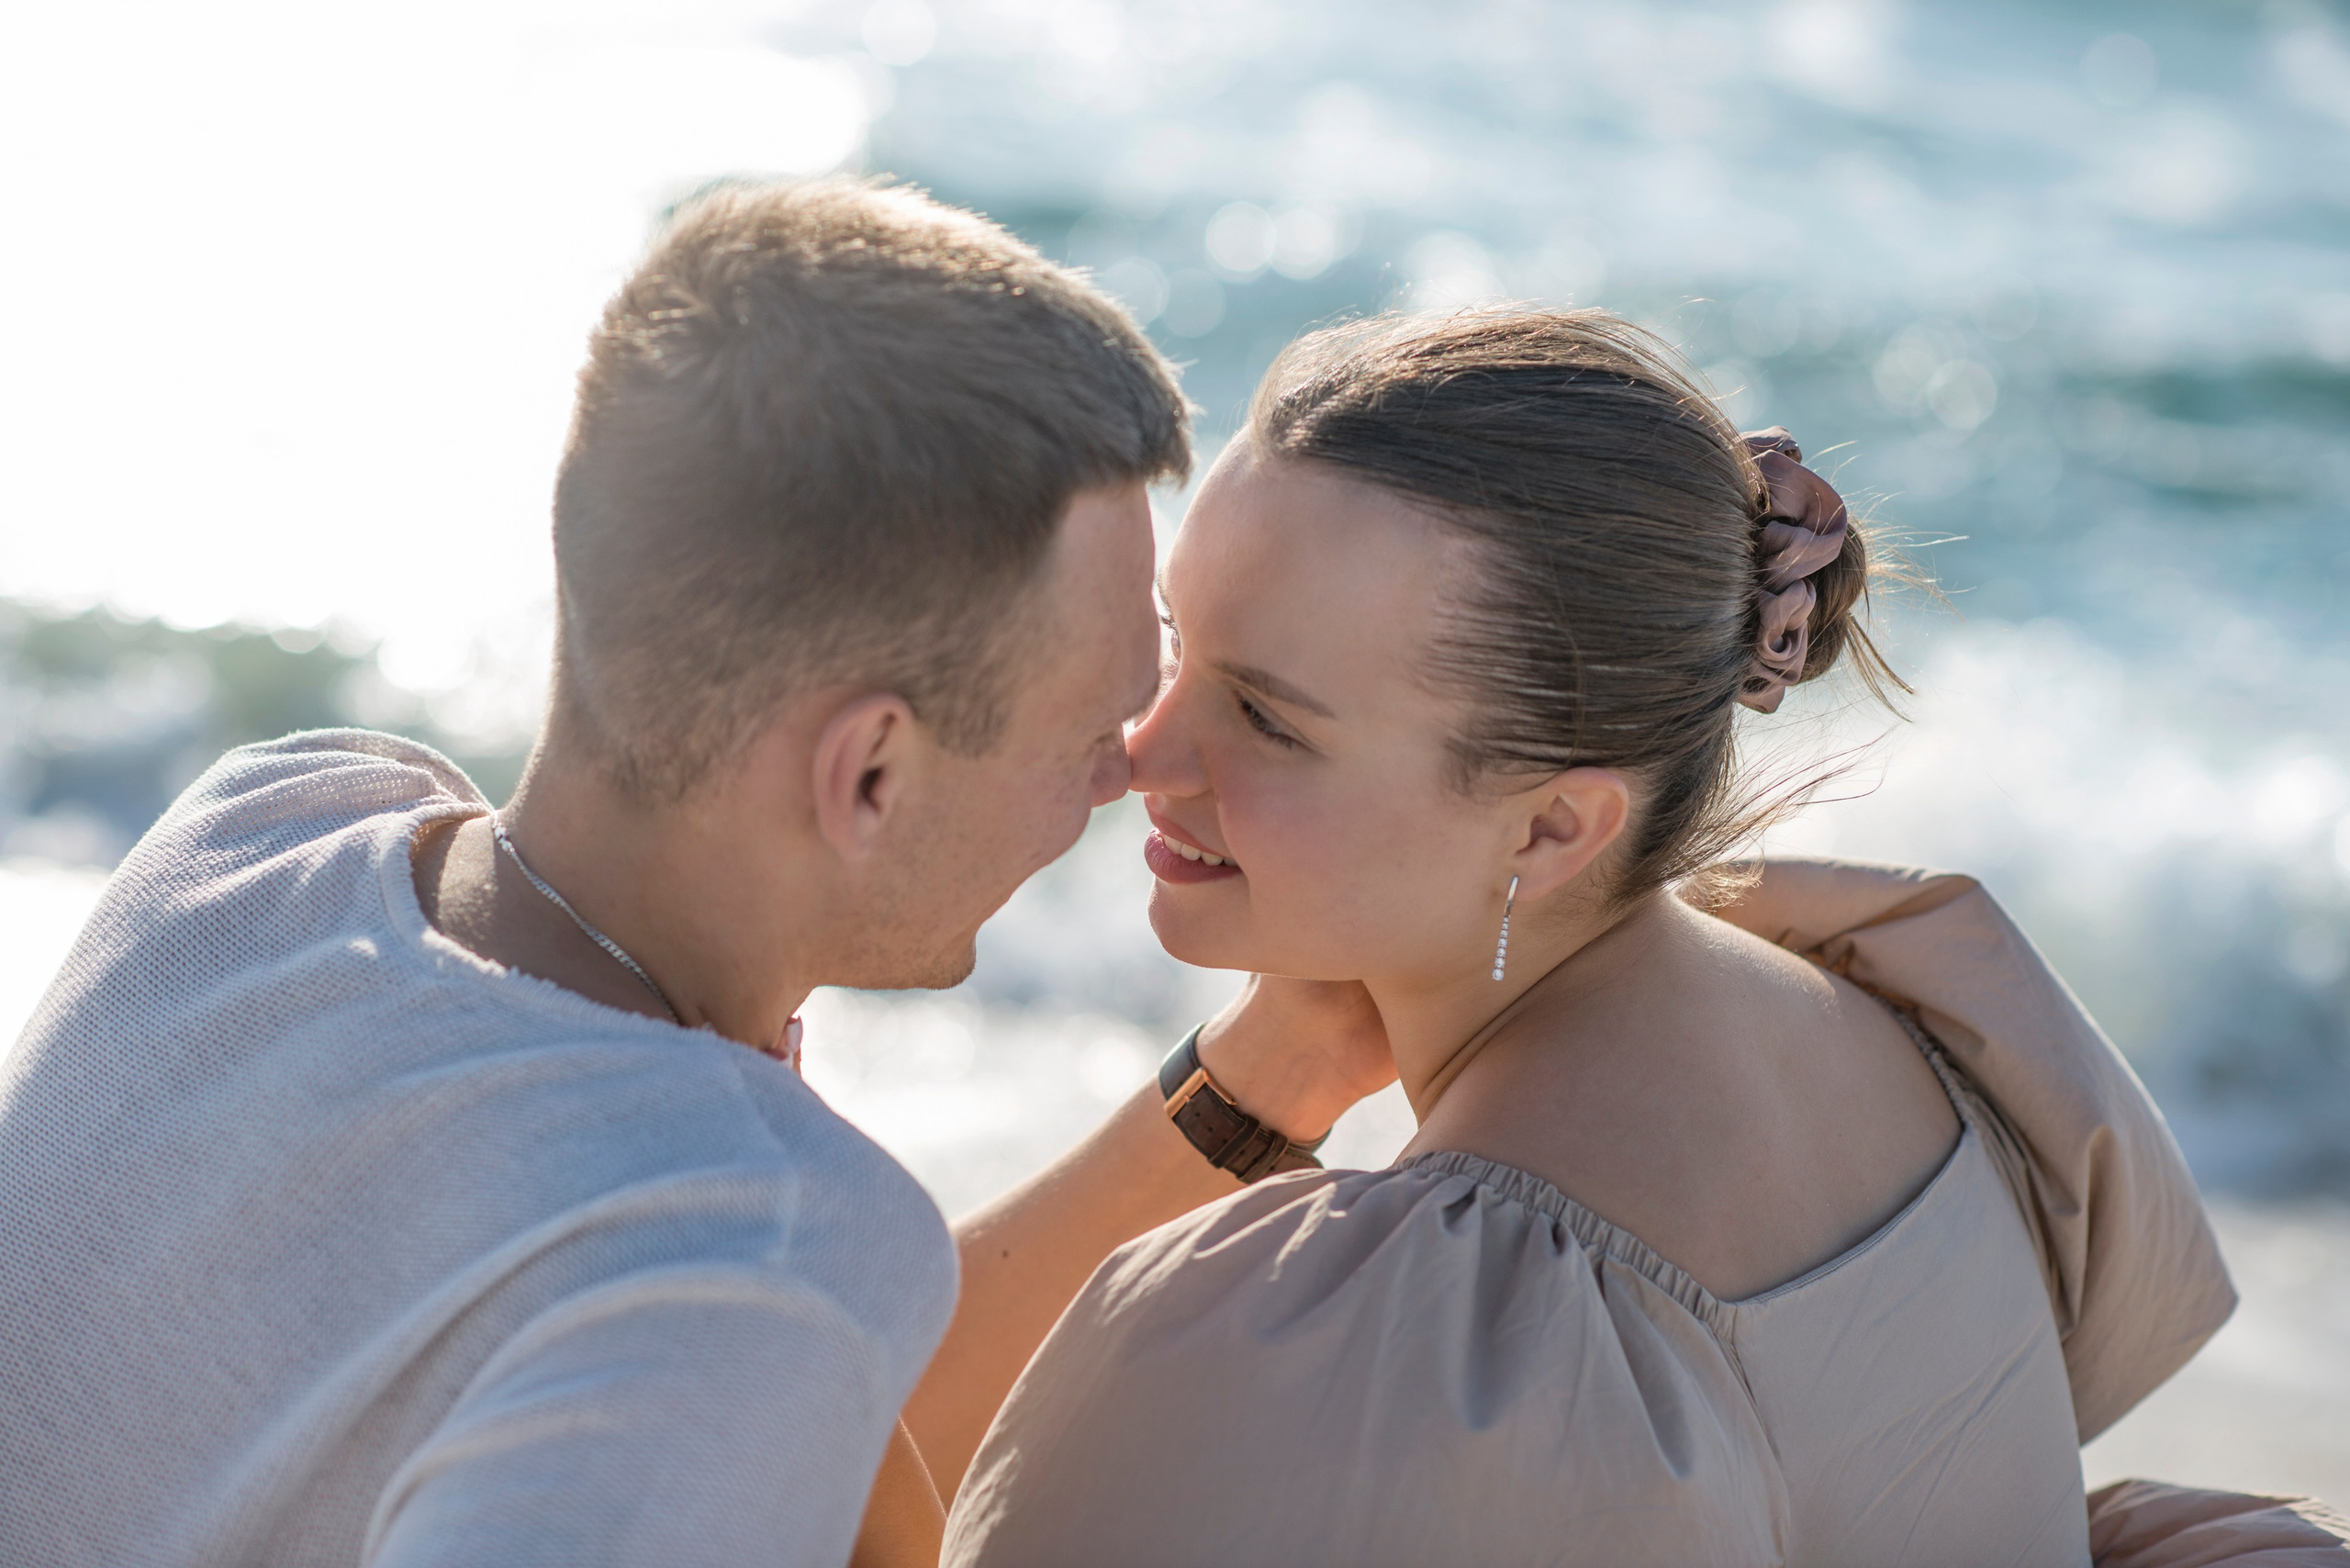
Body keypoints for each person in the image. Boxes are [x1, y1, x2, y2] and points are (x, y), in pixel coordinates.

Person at [0, 178, 1387, 1568]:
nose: (1129, 771)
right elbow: (717, 1346)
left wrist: (1272, 1074)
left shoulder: (263, 834)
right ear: (871, 777)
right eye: (1090, 730)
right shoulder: (751, 1263)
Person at [937, 309, 2256, 1567]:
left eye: (1270, 720)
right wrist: (1263, 1068)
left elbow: (869, 1492)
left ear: (1553, 829)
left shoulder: (1444, 1334)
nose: (1142, 752)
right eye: (1178, 648)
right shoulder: (1903, 1019)